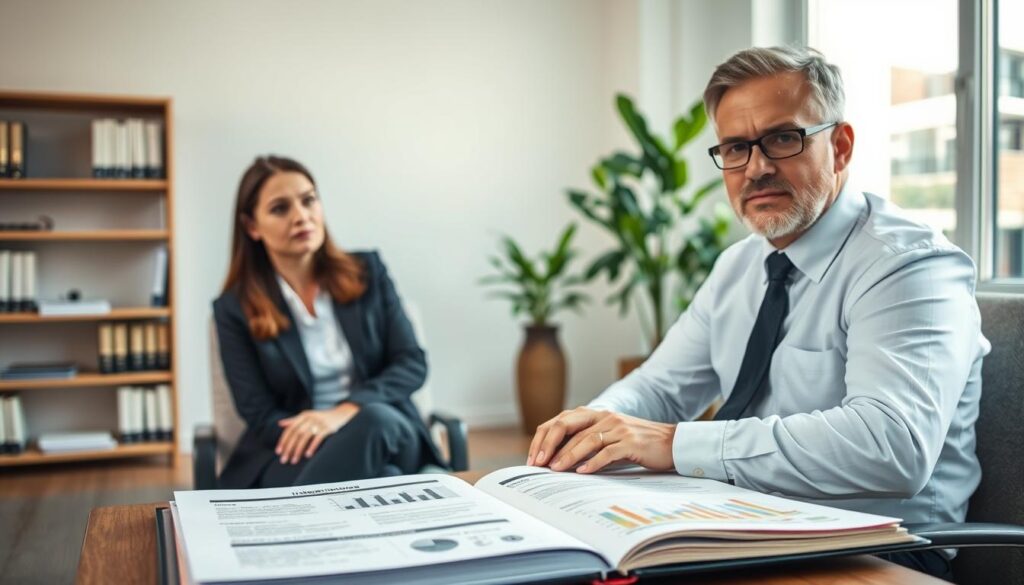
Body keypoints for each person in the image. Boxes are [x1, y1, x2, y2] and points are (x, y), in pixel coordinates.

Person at [526, 46, 988, 580]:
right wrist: (591, 434)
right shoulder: (741, 264)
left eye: (783, 139)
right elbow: (659, 387)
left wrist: (676, 443)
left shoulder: (908, 267)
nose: (757, 168)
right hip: (744, 524)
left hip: (877, 550)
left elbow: (890, 446)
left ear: (840, 147)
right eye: (736, 148)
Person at [213, 155, 442, 489]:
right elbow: (258, 412)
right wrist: (318, 433)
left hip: (388, 429)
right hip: (296, 447)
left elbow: (411, 363)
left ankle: (292, 522)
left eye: (308, 201)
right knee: (386, 479)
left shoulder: (368, 272)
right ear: (251, 227)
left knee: (374, 422)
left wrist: (343, 414)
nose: (301, 216)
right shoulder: (233, 309)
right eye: (280, 208)